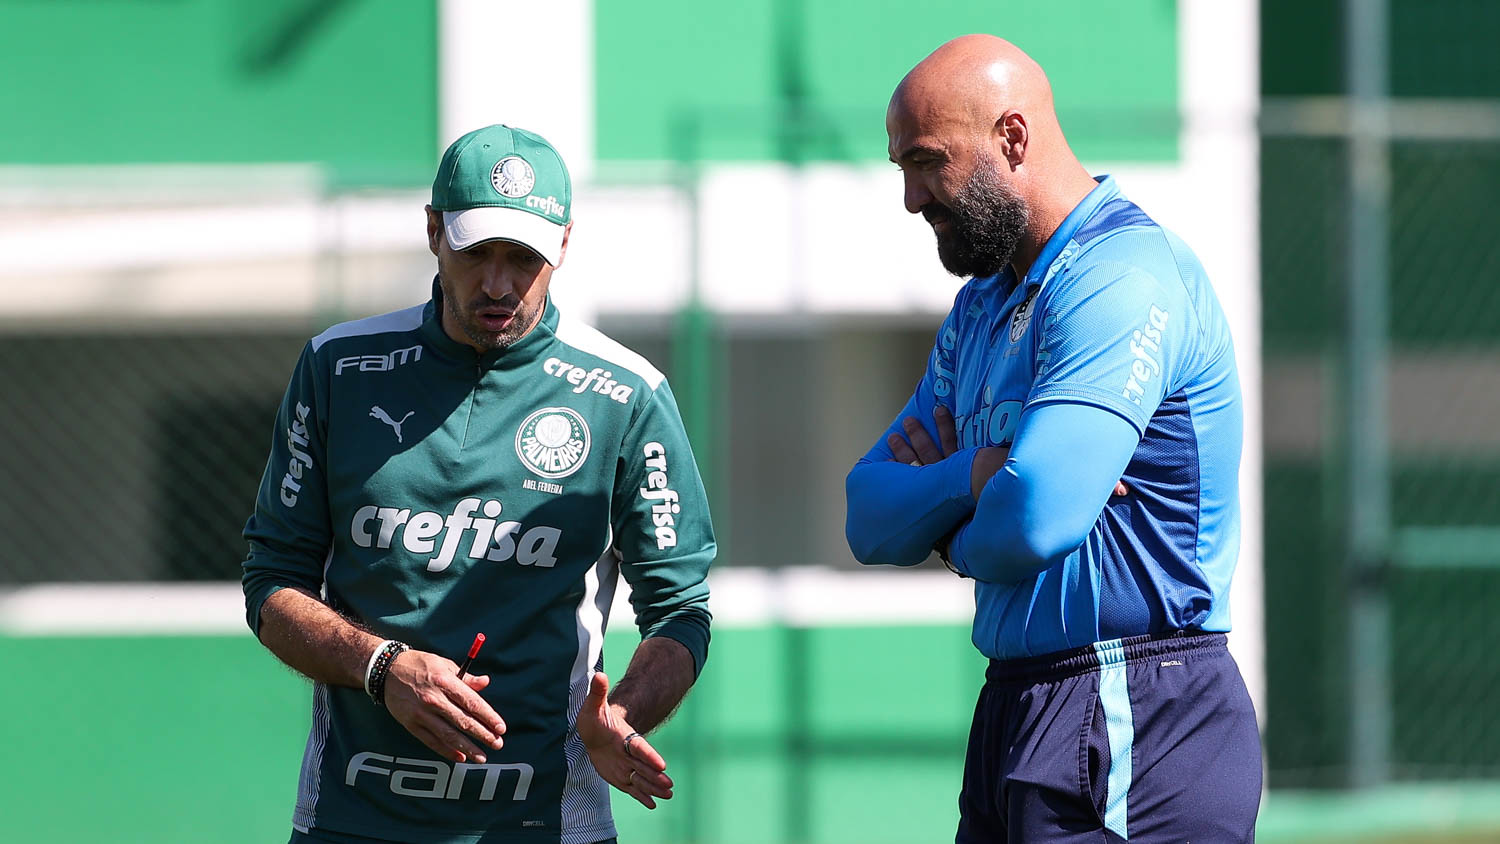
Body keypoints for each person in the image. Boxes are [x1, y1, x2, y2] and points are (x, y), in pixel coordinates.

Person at [241, 124, 715, 844]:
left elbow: (680, 609)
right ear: (434, 232)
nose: (497, 284)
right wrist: (381, 667)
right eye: (476, 252)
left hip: (550, 822)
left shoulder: (627, 394)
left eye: (522, 257)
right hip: (349, 821)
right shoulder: (336, 367)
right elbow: (271, 585)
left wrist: (622, 715)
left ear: (563, 245)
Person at [844, 35, 1261, 842]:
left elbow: (1034, 517)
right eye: (902, 167)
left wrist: (946, 535)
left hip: (1135, 702)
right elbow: (866, 514)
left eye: (927, 161)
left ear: (1012, 136)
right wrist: (973, 478)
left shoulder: (1121, 278)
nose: (912, 198)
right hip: (1016, 700)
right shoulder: (980, 307)